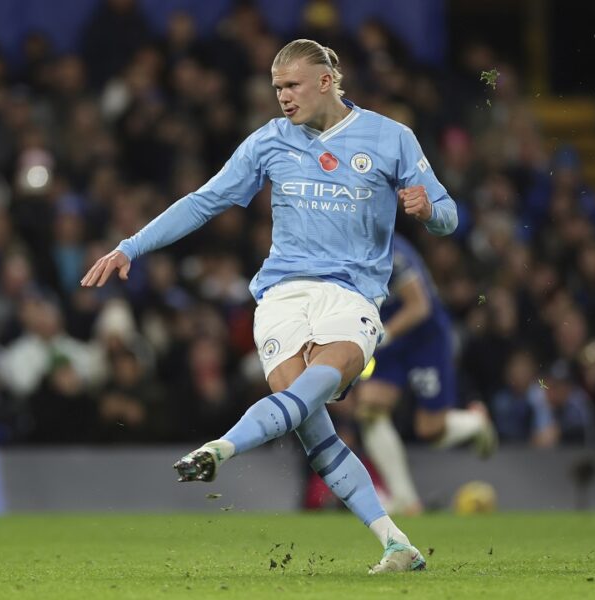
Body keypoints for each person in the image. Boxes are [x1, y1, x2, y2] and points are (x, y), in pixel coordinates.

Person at [82, 39, 457, 574]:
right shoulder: (270, 142)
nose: (282, 97)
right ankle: (396, 543)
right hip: (280, 296)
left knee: (310, 392)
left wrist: (427, 209)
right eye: (277, 87)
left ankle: (222, 448)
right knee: (309, 422)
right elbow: (204, 200)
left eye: (292, 86)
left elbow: (449, 213)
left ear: (325, 81)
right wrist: (130, 246)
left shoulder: (390, 138)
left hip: (353, 296)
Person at [355, 233, 496, 515]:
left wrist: (383, 337)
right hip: (390, 333)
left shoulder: (393, 252)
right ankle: (406, 500)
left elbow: (419, 306)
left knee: (430, 430)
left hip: (423, 337)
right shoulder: (345, 249)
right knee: (369, 409)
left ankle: (475, 422)